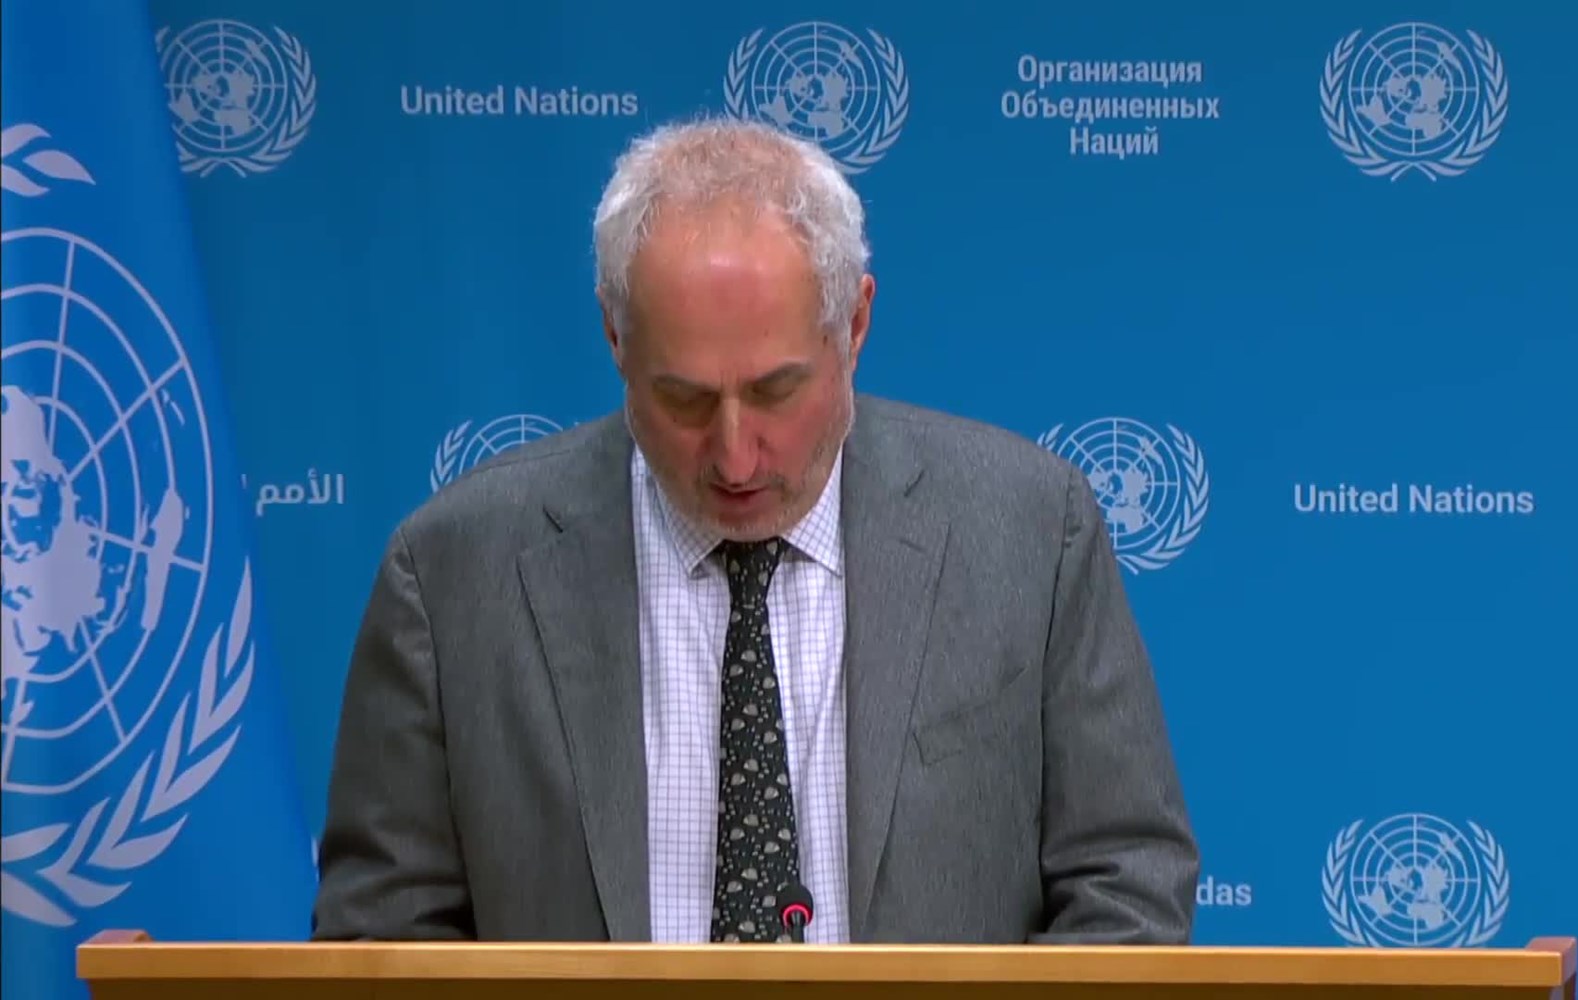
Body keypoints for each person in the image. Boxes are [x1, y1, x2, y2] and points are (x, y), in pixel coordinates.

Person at [310, 116, 1199, 946]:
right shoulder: (454, 571)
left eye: (775, 391)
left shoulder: (1029, 532)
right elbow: (382, 942)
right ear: (614, 337)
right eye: (683, 399)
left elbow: (1127, 884)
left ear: (854, 324)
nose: (735, 456)